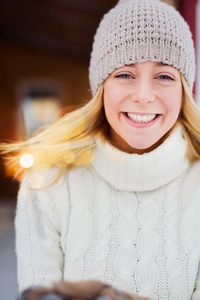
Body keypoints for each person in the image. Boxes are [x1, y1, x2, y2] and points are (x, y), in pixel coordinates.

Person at [1, 0, 200, 299]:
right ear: (101, 87)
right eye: (124, 74)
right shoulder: (48, 183)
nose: (144, 96)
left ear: (184, 89)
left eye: (164, 76)